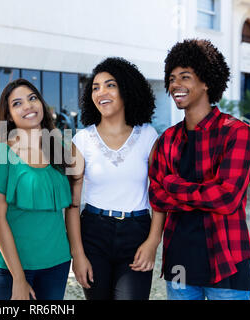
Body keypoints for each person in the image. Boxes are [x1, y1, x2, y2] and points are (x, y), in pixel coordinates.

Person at [149, 39, 250, 300]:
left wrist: (173, 185)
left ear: (206, 81)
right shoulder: (167, 139)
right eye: (172, 78)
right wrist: (204, 194)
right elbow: (156, 196)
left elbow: (227, 198)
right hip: (179, 265)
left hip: (227, 264)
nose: (175, 85)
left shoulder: (237, 132)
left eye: (185, 77)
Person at [65, 57, 164, 300]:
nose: (101, 92)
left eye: (110, 85)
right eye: (95, 87)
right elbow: (72, 203)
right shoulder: (81, 140)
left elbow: (160, 195)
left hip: (136, 232)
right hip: (93, 232)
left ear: (126, 89)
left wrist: (152, 242)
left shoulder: (148, 136)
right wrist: (78, 255)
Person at [0, 78, 72, 300]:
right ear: (9, 115)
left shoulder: (59, 148)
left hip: (58, 263)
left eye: (32, 98)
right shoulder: (0, 153)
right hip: (13, 268)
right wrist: (18, 277)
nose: (27, 106)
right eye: (17, 103)